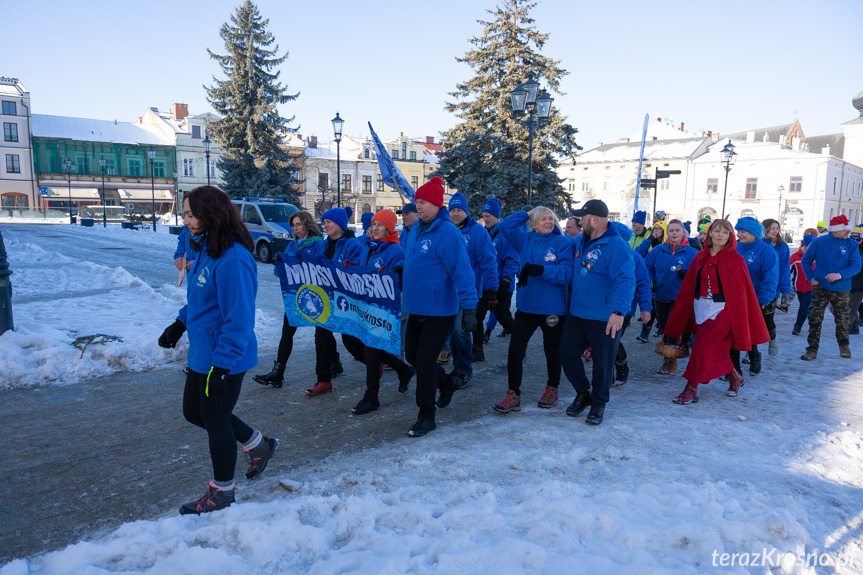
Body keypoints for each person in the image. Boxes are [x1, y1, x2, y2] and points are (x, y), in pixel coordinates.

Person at [157, 185, 279, 515]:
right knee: (196, 413)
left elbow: (238, 320)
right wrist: (179, 324)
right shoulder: (206, 248)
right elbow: (200, 300)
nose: (186, 220)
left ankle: (222, 491)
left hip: (224, 356)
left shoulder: (234, 258)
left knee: (214, 418)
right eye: (185, 213)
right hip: (203, 350)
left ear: (211, 215)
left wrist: (223, 366)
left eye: (191, 214)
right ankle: (260, 445)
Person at [402, 176, 477, 437]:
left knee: (423, 363)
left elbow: (463, 273)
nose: (417, 206)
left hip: (440, 310)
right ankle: (446, 382)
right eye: (417, 201)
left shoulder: (448, 233)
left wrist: (469, 308)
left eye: (422, 202)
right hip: (416, 307)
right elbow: (413, 263)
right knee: (412, 356)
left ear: (436, 204)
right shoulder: (414, 231)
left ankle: (427, 415)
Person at [663, 219, 769, 404]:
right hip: (701, 308)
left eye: (725, 232)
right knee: (716, 351)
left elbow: (741, 294)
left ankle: (691, 388)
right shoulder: (700, 257)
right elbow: (689, 286)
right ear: (710, 233)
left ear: (730, 236)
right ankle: (735, 376)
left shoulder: (736, 260)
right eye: (717, 231)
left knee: (701, 347)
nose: (720, 235)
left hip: (724, 311)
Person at [560, 199, 635, 425]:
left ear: (594, 219)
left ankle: (599, 403)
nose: (577, 222)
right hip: (578, 312)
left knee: (603, 363)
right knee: (566, 352)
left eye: (581, 218)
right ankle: (584, 392)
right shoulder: (582, 241)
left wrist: (619, 311)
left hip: (604, 316)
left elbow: (626, 280)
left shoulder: (615, 246)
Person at [492, 206, 573, 414]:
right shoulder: (524, 240)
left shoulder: (562, 242)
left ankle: (551, 388)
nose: (549, 222)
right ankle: (513, 395)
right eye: (543, 219)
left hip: (552, 309)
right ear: (534, 223)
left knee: (551, 351)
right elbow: (504, 225)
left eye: (551, 218)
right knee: (515, 350)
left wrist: (542, 270)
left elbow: (566, 274)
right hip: (526, 308)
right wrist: (527, 213)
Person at [348, 209, 417, 414]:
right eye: (373, 225)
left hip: (384, 310)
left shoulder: (395, 250)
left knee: (371, 349)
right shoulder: (368, 248)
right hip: (367, 307)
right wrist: (349, 267)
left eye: (379, 225)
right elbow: (361, 271)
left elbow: (405, 268)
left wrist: (400, 270)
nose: (374, 228)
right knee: (361, 345)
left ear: (388, 228)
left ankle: (371, 397)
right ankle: (403, 369)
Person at [253, 211, 324, 387]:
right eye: (293, 225)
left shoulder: (319, 245)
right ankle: (278, 372)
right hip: (296, 296)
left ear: (307, 224)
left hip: (317, 296)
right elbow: (280, 274)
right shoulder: (292, 246)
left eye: (298, 224)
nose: (295, 228)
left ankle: (330, 366)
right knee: (287, 332)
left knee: (322, 335)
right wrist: (279, 263)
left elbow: (323, 269)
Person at [306, 207, 365, 395]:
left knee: (351, 342)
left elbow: (359, 270)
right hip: (325, 300)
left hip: (345, 301)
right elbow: (309, 263)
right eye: (323, 222)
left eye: (328, 222)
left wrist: (347, 267)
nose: (325, 225)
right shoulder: (323, 245)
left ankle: (381, 361)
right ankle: (323, 380)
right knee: (321, 338)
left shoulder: (352, 244)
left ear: (339, 224)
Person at [446, 192, 498, 386]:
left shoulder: (478, 232)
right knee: (451, 332)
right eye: (452, 210)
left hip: (469, 292)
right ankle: (456, 366)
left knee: (461, 331)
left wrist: (491, 288)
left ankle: (464, 369)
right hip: (446, 293)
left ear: (466, 212)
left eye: (460, 210)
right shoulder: (445, 230)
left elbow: (489, 262)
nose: (456, 214)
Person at [800, 215, 862, 360]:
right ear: (837, 230)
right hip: (820, 287)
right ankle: (812, 350)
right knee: (815, 318)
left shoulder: (851, 244)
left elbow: (856, 266)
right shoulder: (819, 242)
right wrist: (811, 278)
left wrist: (839, 275)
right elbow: (806, 261)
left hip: (841, 289)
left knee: (842, 319)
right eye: (845, 229)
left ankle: (844, 346)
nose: (848, 232)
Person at [644, 219, 698, 375]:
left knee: (672, 328)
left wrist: (688, 274)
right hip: (660, 295)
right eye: (671, 230)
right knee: (664, 328)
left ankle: (670, 362)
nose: (674, 233)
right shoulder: (657, 251)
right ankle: (669, 358)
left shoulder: (691, 252)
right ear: (667, 233)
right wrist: (651, 281)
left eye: (677, 230)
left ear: (683, 233)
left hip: (680, 298)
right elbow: (646, 267)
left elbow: (699, 273)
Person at [732, 217, 778, 376]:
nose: (739, 234)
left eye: (743, 231)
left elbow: (770, 278)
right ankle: (733, 369)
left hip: (754, 300)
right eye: (738, 231)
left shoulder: (767, 251)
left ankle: (754, 357)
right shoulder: (734, 248)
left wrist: (762, 301)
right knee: (733, 333)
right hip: (733, 299)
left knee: (748, 333)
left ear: (753, 233)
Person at [608, 221, 652, 385]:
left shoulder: (634, 257)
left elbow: (643, 283)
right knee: (604, 340)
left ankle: (620, 366)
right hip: (600, 306)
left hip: (624, 308)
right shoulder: (600, 254)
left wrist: (646, 308)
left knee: (612, 339)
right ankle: (608, 373)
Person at [475, 198, 518, 358]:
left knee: (504, 318)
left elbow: (512, 259)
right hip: (484, 286)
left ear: (497, 216)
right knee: (477, 317)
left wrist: (505, 282)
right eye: (484, 216)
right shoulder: (484, 233)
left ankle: (520, 343)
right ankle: (477, 348)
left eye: (488, 216)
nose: (485, 219)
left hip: (501, 286)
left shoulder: (505, 235)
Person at [762, 219, 793, 356]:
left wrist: (786, 290)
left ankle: (772, 339)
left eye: (776, 228)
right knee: (753, 321)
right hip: (755, 288)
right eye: (771, 228)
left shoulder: (782, 246)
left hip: (772, 290)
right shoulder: (757, 244)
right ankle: (751, 351)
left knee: (768, 321)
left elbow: (784, 270)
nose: (774, 231)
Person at [790, 234, 815, 335]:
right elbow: (787, 269)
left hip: (813, 287)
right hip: (799, 287)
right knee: (808, 307)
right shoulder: (795, 256)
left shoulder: (818, 257)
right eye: (811, 245)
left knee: (804, 306)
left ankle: (798, 326)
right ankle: (813, 326)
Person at [849, 227, 863, 335]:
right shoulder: (849, 249)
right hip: (850, 283)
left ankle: (846, 327)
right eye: (852, 239)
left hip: (860, 285)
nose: (854, 242)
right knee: (851, 306)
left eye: (857, 240)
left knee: (851, 306)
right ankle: (855, 327)